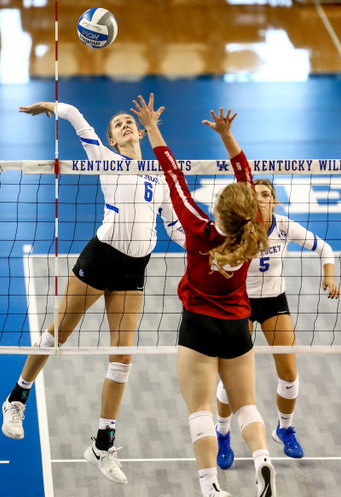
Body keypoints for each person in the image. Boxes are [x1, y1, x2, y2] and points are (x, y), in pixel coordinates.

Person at [2, 100, 185, 485]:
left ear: (138, 132)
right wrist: (50, 107)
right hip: (100, 256)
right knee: (58, 335)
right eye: (117, 123)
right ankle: (17, 398)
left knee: (122, 357)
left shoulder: (160, 174)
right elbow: (75, 116)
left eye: (129, 122)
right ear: (111, 139)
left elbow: (174, 227)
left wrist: (202, 246)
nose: (124, 125)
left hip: (135, 267)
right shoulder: (104, 158)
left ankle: (102, 443)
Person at [131, 93, 276, 497]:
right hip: (236, 328)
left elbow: (173, 176)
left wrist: (153, 127)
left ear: (218, 210)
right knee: (246, 405)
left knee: (200, 411)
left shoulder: (199, 231)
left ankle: (210, 487)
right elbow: (247, 179)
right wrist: (229, 138)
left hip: (198, 326)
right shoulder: (256, 230)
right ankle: (262, 458)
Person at [215, 178, 340, 469]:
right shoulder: (238, 227)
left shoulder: (284, 226)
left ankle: (284, 428)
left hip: (274, 302)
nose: (260, 199)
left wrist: (329, 277)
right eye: (255, 195)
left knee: (289, 374)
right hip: (240, 304)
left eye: (265, 195)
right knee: (230, 378)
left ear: (274, 201)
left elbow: (325, 249)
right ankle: (222, 433)